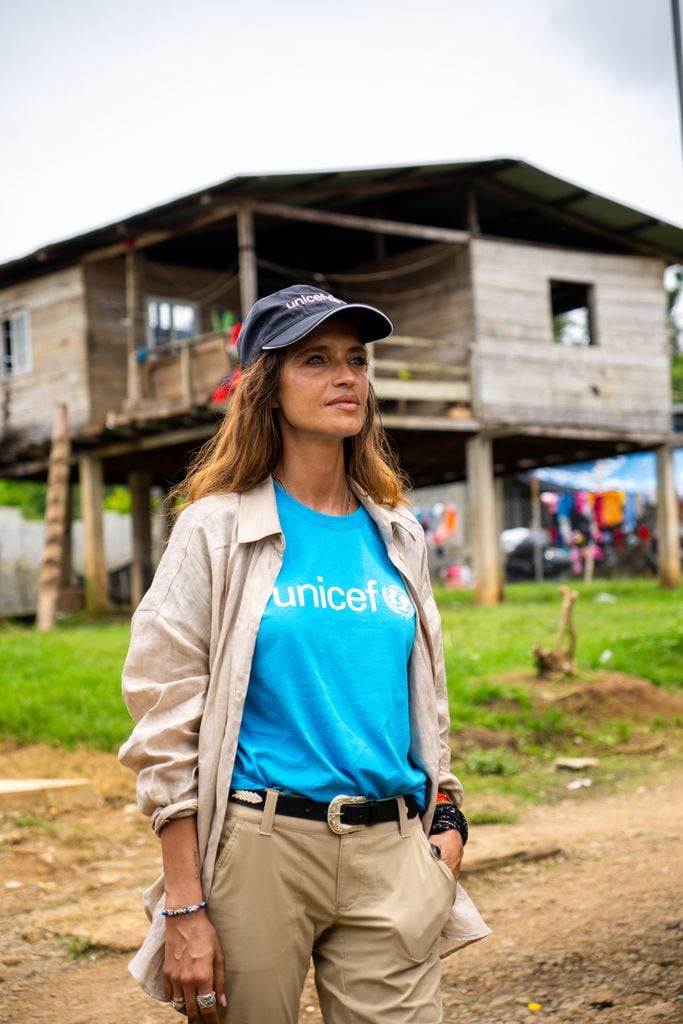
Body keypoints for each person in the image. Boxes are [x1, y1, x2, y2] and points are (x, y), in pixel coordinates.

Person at [119, 283, 489, 1024]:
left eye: (355, 359)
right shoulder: (213, 531)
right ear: (266, 387)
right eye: (315, 360)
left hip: (390, 847)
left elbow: (424, 694)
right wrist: (186, 906)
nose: (346, 378)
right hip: (261, 850)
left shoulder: (397, 534)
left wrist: (445, 813)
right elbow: (165, 727)